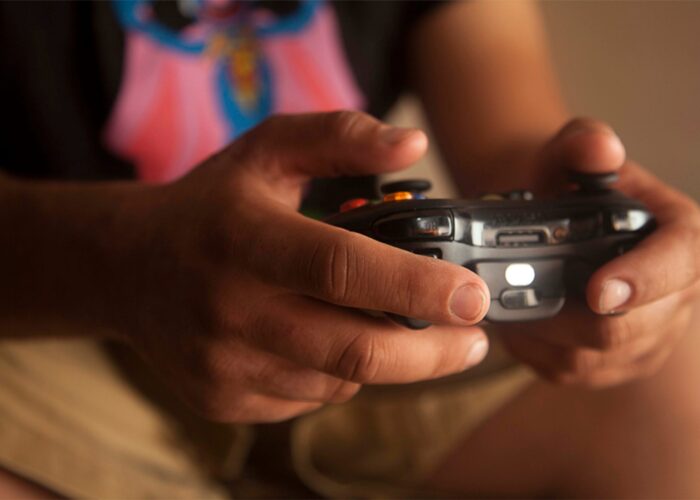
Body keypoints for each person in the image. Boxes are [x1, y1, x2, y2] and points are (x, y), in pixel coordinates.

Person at [1, 0, 699, 497]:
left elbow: (515, 152)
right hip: (57, 326)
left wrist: (593, 232)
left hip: (371, 323)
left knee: (677, 376)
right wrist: (122, 261)